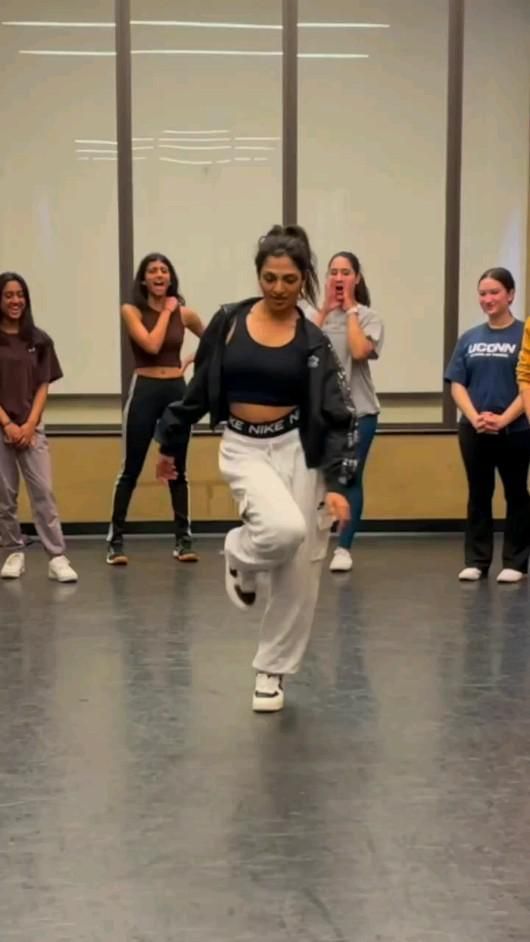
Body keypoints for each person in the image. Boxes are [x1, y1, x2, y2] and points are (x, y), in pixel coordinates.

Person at [155, 225, 357, 713]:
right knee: (283, 531)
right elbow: (199, 389)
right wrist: (169, 440)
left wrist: (337, 482)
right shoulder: (228, 323)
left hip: (296, 447)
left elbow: (337, 412)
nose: (279, 288)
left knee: (301, 568)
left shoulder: (312, 342)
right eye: (270, 277)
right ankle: (239, 553)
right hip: (243, 447)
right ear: (258, 274)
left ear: (303, 278)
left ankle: (272, 670)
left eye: (290, 279)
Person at [106, 253, 204, 566]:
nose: (159, 275)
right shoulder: (131, 311)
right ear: (144, 280)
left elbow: (217, 339)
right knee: (130, 468)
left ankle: (183, 540)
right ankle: (115, 541)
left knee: (178, 468)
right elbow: (150, 345)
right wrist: (167, 312)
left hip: (176, 391)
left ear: (171, 278)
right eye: (152, 271)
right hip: (145, 390)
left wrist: (192, 359)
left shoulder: (186, 314)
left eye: (164, 270)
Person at [445, 267, 530, 583]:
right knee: (479, 494)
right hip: (474, 429)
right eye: (483, 293)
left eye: (494, 292)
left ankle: (516, 562)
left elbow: (528, 383)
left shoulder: (524, 335)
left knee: (517, 493)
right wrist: (474, 416)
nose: (488, 298)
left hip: (517, 430)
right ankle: (477, 560)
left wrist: (505, 418)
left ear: (510, 295)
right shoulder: (469, 338)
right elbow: (456, 383)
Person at [0, 272, 78, 582]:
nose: (15, 300)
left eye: (20, 294)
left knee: (43, 492)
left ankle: (57, 557)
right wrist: (7, 423)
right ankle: (12, 551)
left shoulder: (39, 340)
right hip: (2, 427)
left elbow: (44, 384)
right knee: (4, 495)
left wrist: (30, 425)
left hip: (32, 429)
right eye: (8, 295)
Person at [313, 251, 383, 572]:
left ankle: (343, 548)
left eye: (345, 272)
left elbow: (358, 351)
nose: (338, 278)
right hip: (321, 413)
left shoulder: (368, 317)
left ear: (356, 278)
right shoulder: (316, 315)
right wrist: (325, 310)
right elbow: (300, 349)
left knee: (350, 477)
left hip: (359, 413)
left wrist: (351, 310)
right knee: (316, 480)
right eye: (333, 272)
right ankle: (314, 540)